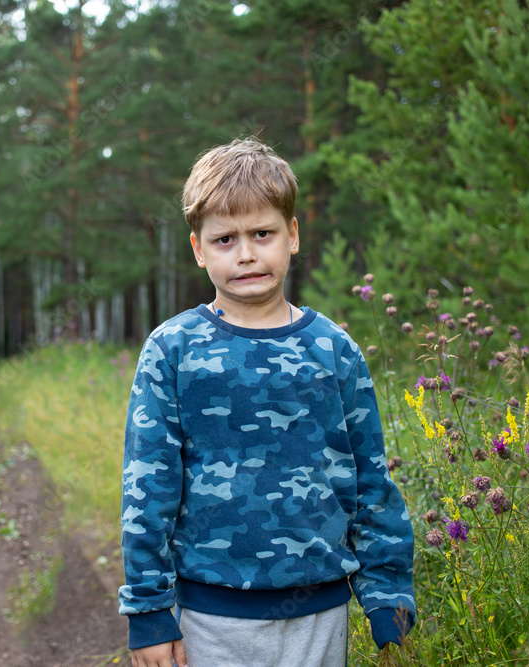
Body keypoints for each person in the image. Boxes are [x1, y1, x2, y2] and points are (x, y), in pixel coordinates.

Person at [118, 138, 416, 667]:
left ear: (292, 235)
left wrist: (387, 593)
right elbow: (148, 488)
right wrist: (148, 611)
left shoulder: (333, 349)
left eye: (262, 233)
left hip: (319, 616)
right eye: (225, 239)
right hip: (210, 619)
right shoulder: (173, 349)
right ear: (198, 249)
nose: (247, 253)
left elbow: (371, 479)